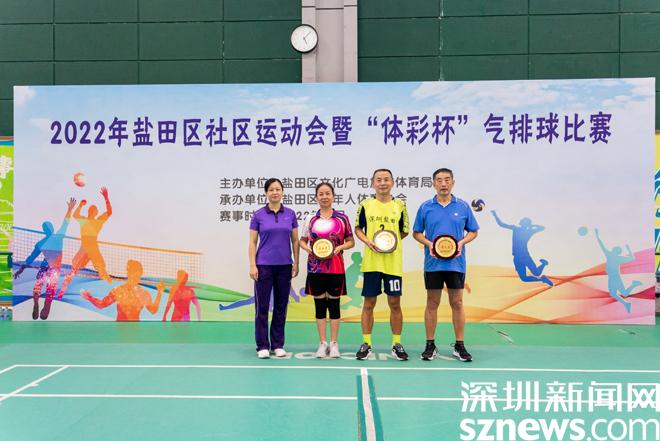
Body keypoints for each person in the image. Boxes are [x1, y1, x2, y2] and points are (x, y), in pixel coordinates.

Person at [412, 168, 479, 362]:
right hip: (433, 264)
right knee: (432, 303)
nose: (443, 183)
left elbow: (473, 231)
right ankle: (430, 345)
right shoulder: (426, 207)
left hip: (456, 264)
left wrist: (461, 243)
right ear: (433, 184)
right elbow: (417, 233)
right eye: (439, 180)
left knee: (457, 303)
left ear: (453, 183)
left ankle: (459, 345)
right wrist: (429, 244)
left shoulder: (463, 206)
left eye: (447, 180)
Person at [354, 169, 409, 360]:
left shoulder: (400, 205)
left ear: (393, 182)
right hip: (372, 263)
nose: (383, 183)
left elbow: (404, 231)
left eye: (386, 179)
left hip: (393, 264)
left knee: (395, 303)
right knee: (369, 303)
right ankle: (366, 343)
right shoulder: (365, 205)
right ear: (373, 183)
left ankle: (396, 344)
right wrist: (369, 241)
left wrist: (389, 242)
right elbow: (358, 229)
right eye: (379, 180)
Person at [299, 182, 354, 358]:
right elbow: (302, 241)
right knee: (320, 306)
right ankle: (323, 343)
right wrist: (308, 249)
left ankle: (334, 343)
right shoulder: (310, 219)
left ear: (333, 196)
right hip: (315, 269)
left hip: (336, 268)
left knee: (334, 305)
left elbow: (351, 241)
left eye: (327, 193)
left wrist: (340, 248)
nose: (324, 197)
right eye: (321, 194)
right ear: (316, 197)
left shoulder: (342, 218)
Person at [249, 178, 300, 359]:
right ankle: (262, 345)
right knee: (262, 307)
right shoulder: (258, 215)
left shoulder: (290, 214)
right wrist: (253, 265)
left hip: (284, 266)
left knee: (280, 306)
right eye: (271, 189)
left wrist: (296, 262)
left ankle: (277, 344)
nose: (275, 192)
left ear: (282, 192)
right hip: (263, 266)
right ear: (266, 193)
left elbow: (295, 241)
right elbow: (252, 242)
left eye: (278, 189)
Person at [14, 197, 76, 320]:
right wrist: (70, 209)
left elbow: (30, 259)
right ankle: (46, 306)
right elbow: (65, 223)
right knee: (50, 291)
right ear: (52, 229)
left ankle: (36, 302)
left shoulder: (41, 243)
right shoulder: (58, 236)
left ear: (44, 231)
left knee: (38, 287)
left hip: (44, 268)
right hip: (54, 270)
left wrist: (21, 270)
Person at [58, 187, 113, 298]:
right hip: (89, 248)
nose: (95, 212)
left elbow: (109, 212)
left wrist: (81, 205)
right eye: (94, 210)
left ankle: (111, 289)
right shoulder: (93, 221)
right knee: (79, 270)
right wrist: (105, 198)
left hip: (89, 248)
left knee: (99, 271)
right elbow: (109, 212)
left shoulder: (93, 221)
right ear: (94, 212)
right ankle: (63, 289)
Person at [81, 259, 164, 321]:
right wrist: (90, 298)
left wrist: (160, 292)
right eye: (131, 271)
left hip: (134, 332)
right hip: (121, 330)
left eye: (134, 272)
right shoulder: (119, 290)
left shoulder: (143, 293)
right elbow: (102, 305)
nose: (132, 274)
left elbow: (153, 311)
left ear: (140, 273)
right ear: (128, 273)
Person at [491, 211, 553, 286]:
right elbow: (501, 224)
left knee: (536, 273)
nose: (520, 221)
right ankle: (542, 278)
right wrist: (495, 215)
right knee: (524, 278)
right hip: (517, 257)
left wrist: (495, 215)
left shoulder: (525, 230)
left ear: (524, 223)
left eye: (522, 220)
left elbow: (542, 228)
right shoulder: (520, 229)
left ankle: (544, 264)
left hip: (524, 256)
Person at [594, 228, 641, 313]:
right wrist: (628, 249)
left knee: (618, 294)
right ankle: (627, 302)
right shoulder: (617, 257)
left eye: (614, 249)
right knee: (617, 294)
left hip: (614, 277)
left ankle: (634, 285)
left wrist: (597, 236)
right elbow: (632, 258)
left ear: (615, 251)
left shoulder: (610, 255)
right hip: (613, 277)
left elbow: (602, 245)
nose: (612, 249)